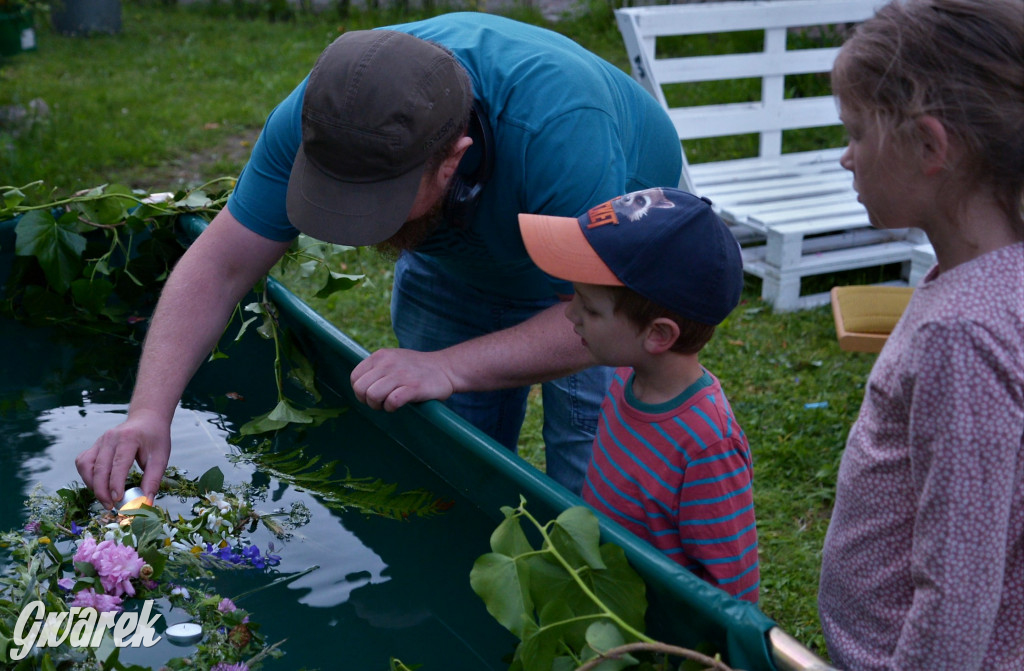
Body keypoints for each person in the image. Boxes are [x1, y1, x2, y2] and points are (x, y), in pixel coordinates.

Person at [74, 12, 683, 507]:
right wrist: (148, 414)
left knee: (593, 483)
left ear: (454, 159)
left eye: (378, 203)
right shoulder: (328, 116)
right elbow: (220, 264)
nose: (355, 228)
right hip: (461, 261)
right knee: (453, 471)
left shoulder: (558, 128)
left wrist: (449, 365)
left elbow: (604, 321)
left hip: (606, 276)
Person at [817, 0, 1024, 668]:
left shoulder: (961, 332)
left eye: (855, 133)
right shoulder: (999, 277)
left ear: (930, 146)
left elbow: (957, 588)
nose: (846, 158)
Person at [518, 187, 760, 602]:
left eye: (591, 308)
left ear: (658, 334)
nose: (570, 314)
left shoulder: (707, 445)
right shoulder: (623, 381)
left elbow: (734, 588)